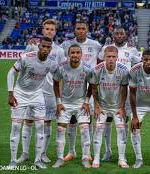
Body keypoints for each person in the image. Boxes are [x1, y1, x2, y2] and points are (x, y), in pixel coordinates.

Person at [17, 19, 66, 164]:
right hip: (31, 91)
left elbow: (60, 76)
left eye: (52, 29)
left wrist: (60, 99)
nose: (49, 31)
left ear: (55, 32)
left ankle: (43, 153)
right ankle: (25, 153)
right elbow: (22, 66)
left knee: (47, 123)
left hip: (49, 92)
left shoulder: (59, 51)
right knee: (28, 121)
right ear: (42, 30)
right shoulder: (32, 46)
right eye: (47, 29)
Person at [7, 37, 57, 169]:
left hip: (37, 94)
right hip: (20, 94)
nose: (45, 49)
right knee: (16, 126)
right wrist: (11, 94)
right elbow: (11, 73)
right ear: (39, 46)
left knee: (40, 125)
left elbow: (59, 76)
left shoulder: (52, 62)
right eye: (43, 46)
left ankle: (37, 160)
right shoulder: (26, 57)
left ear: (51, 49)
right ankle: (13, 161)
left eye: (48, 47)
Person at [98, 26, 141, 161]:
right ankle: (108, 151)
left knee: (124, 120)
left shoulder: (132, 49)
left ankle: (122, 154)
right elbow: (99, 65)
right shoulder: (106, 48)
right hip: (108, 90)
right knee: (107, 121)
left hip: (125, 91)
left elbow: (138, 66)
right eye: (117, 33)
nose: (119, 35)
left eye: (121, 33)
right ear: (113, 35)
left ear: (125, 35)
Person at [61, 21, 102, 161]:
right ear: (74, 30)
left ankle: (87, 152)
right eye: (78, 28)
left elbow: (101, 62)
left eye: (83, 28)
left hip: (89, 88)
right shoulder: (66, 45)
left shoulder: (95, 45)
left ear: (87, 30)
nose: (80, 31)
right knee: (72, 120)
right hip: (72, 88)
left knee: (87, 121)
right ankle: (71, 151)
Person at [52, 44, 93, 168]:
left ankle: (85, 158)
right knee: (60, 130)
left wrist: (86, 101)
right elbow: (55, 84)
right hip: (65, 104)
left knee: (85, 130)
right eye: (73, 52)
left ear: (81, 55)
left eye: (77, 52)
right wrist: (59, 103)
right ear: (69, 54)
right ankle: (60, 159)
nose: (75, 55)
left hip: (81, 103)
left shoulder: (87, 68)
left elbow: (92, 85)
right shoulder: (61, 67)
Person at [90, 46, 129, 168]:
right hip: (103, 106)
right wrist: (96, 105)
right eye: (108, 57)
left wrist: (122, 107)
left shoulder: (123, 70)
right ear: (104, 57)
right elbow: (93, 88)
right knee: (98, 129)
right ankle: (96, 158)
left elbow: (124, 89)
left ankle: (122, 159)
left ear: (117, 57)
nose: (111, 59)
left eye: (113, 57)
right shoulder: (97, 70)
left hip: (117, 106)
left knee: (121, 130)